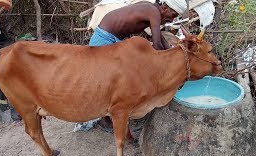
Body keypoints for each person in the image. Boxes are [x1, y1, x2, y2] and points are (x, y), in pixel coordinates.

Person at [73, 0, 179, 132]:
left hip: (113, 38)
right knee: (104, 80)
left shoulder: (152, 9)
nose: (171, 19)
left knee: (116, 80)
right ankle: (103, 119)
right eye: (173, 15)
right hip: (105, 36)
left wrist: (173, 53)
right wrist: (170, 63)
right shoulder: (154, 12)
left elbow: (161, 40)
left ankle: (112, 114)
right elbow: (157, 44)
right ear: (164, 8)